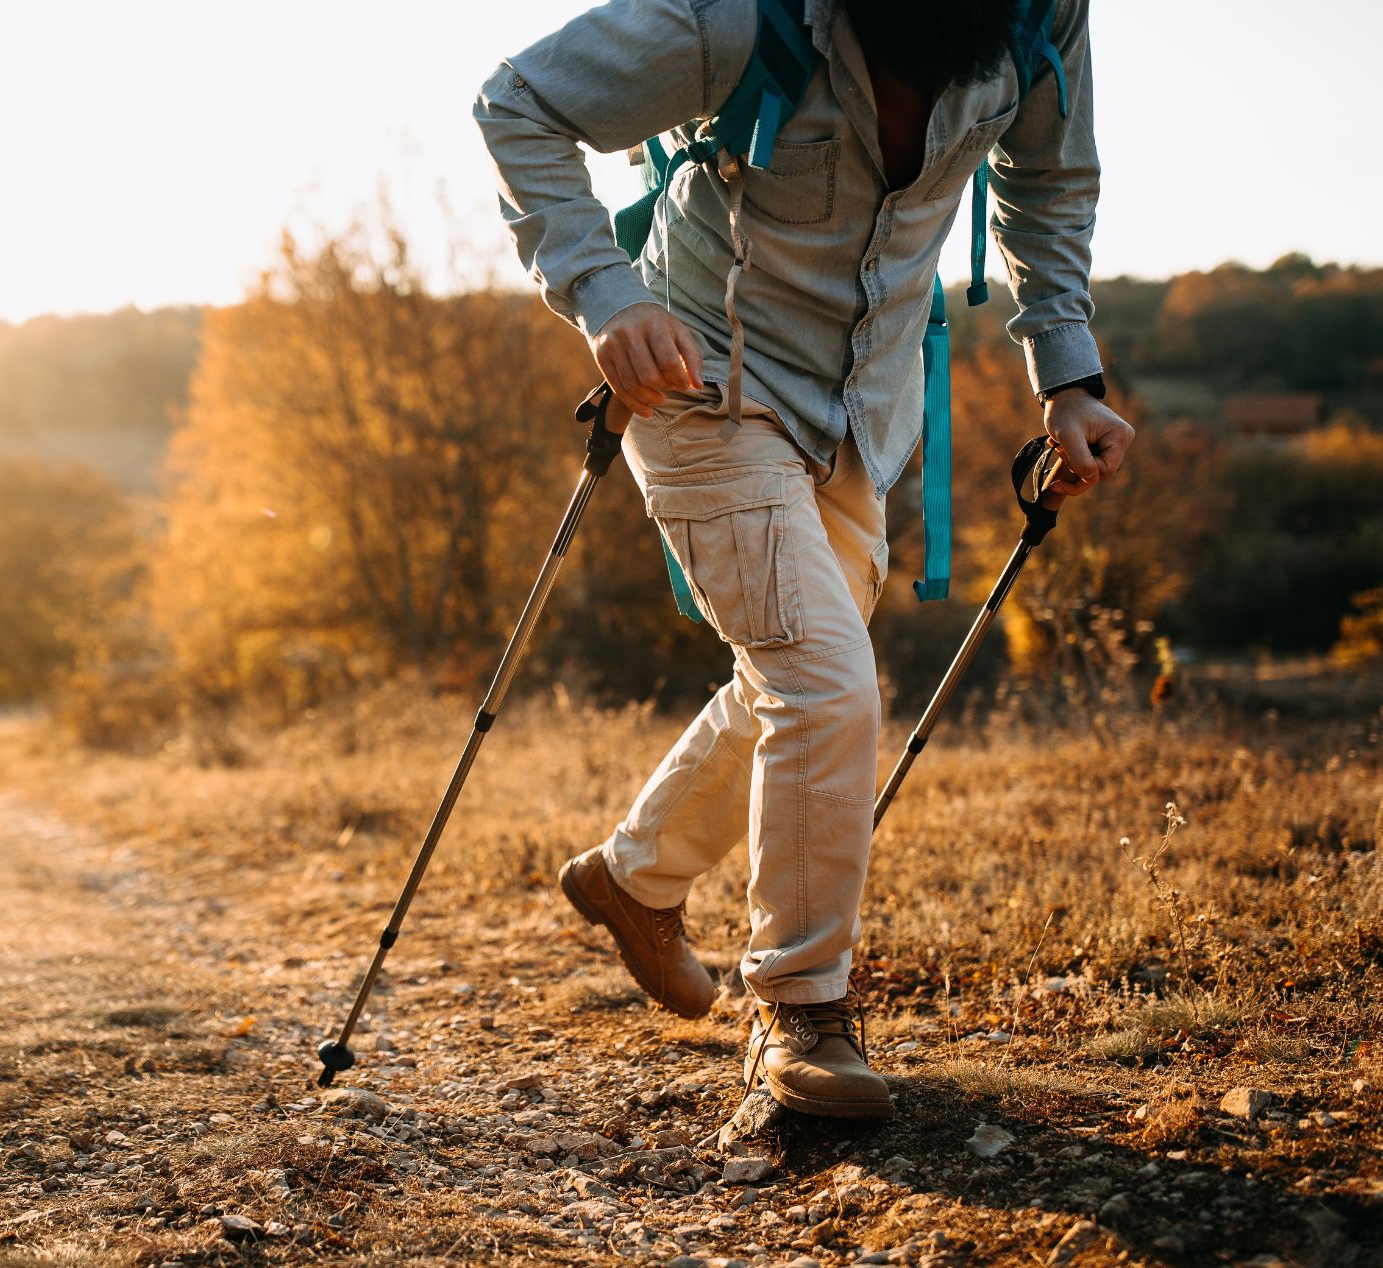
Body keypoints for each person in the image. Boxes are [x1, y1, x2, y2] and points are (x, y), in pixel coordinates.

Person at [475, 0, 1135, 1118]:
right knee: (823, 680)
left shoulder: (1036, 15)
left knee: (791, 671)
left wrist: (1066, 377)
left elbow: (1047, 184)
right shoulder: (734, 14)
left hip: (861, 409)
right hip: (700, 374)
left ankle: (631, 878)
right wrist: (605, 291)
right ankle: (800, 1011)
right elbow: (520, 100)